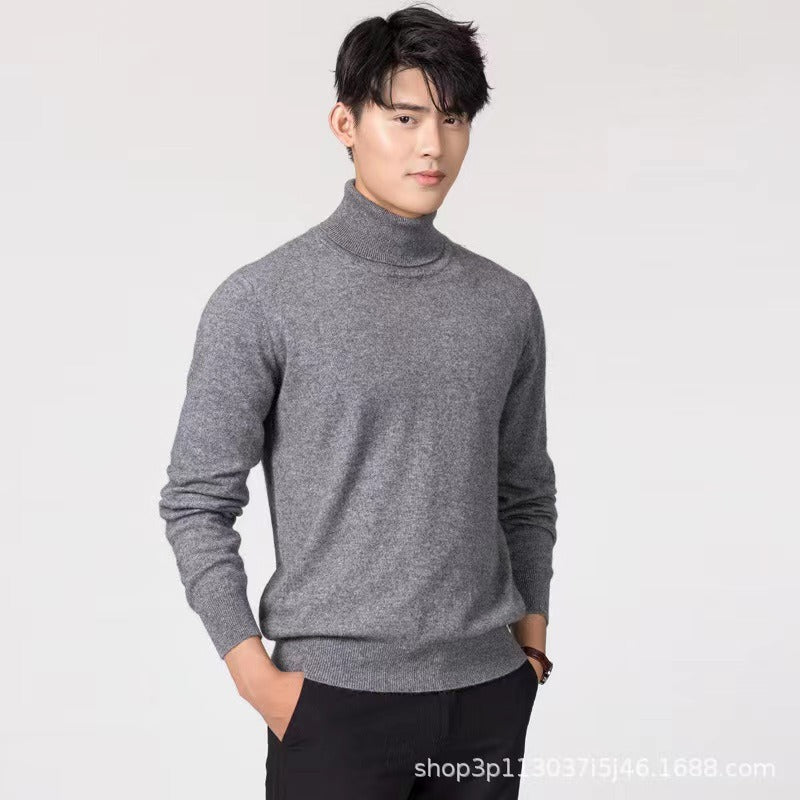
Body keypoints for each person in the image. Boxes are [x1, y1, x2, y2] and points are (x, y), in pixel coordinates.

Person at [158, 5, 558, 798]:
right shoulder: (262, 299)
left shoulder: (505, 303)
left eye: (452, 119)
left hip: (487, 695)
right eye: (405, 117)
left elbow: (525, 490)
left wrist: (531, 641)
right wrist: (258, 680)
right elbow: (197, 502)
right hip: (333, 704)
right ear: (345, 122)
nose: (431, 144)